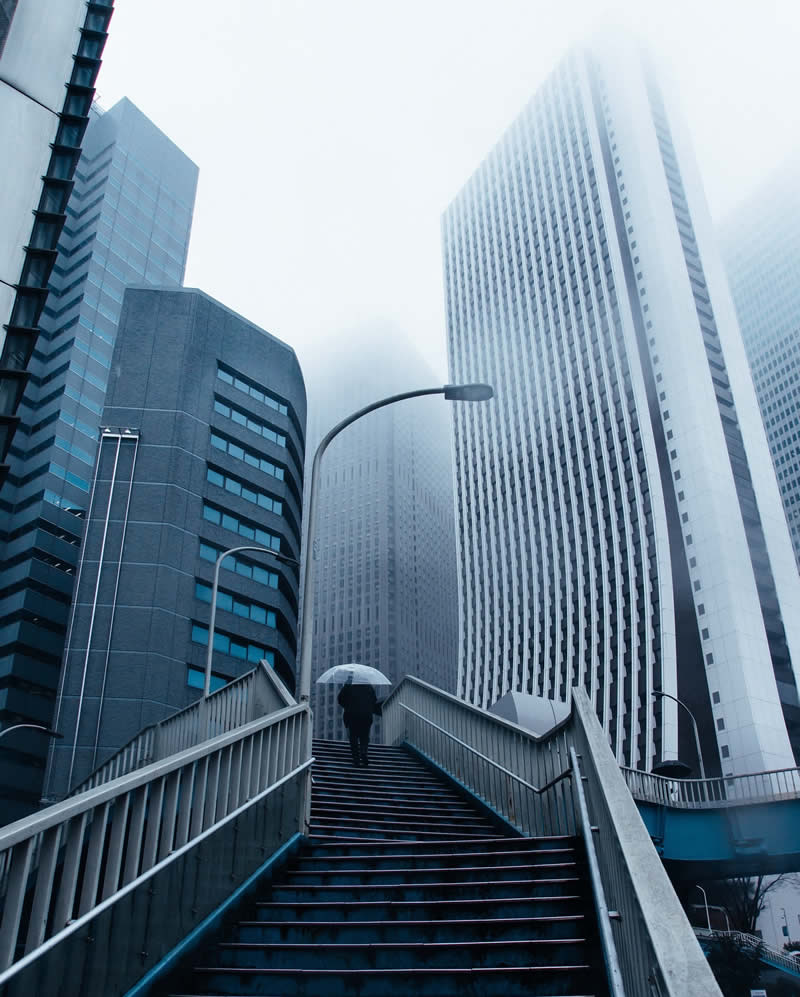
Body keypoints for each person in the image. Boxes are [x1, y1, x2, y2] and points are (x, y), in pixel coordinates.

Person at [338, 676, 378, 767]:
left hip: (352, 714)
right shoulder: (368, 686)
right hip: (366, 715)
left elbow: (340, 699)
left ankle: (356, 758)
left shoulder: (349, 685)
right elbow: (374, 701)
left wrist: (347, 705)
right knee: (364, 736)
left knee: (353, 737)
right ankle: (363, 752)